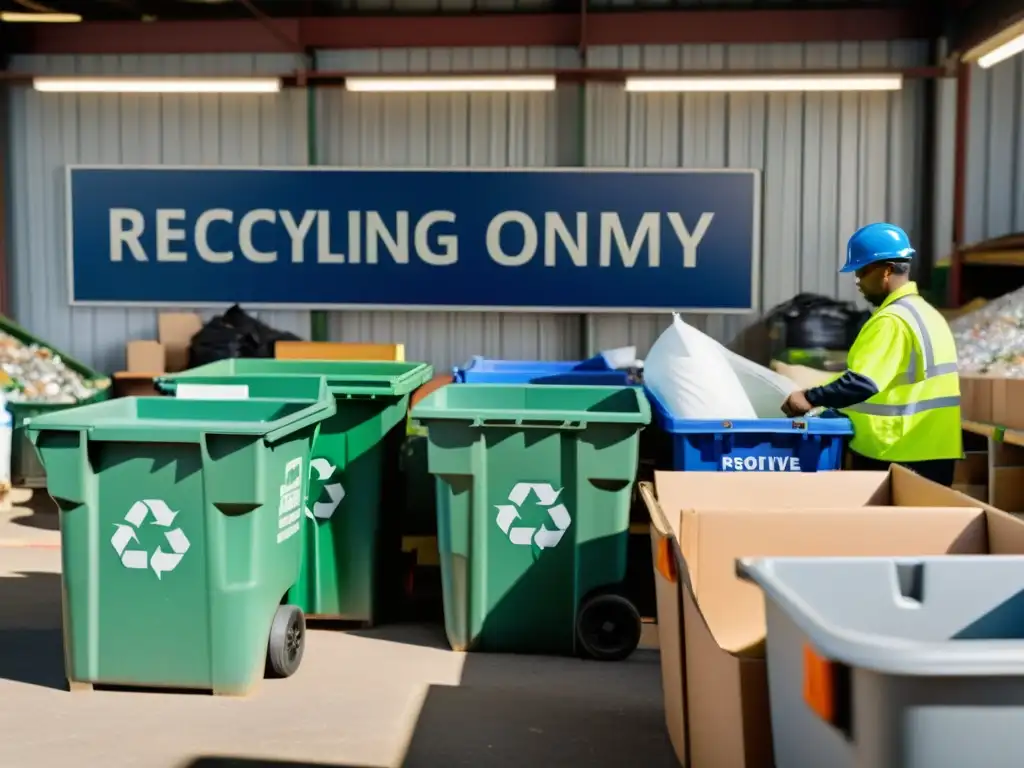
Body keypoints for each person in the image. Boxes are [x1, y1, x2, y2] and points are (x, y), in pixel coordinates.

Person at [781, 222, 962, 486]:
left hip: (896, 451)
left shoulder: (892, 320)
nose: (857, 281)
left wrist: (809, 397)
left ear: (886, 271)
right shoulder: (928, 314)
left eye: (862, 271)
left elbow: (862, 383)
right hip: (935, 450)